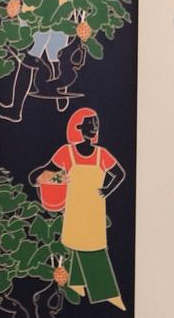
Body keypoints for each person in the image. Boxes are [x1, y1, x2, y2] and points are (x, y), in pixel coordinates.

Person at [28, 109, 127, 311]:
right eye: (90, 125)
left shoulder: (102, 154)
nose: (94, 128)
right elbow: (39, 175)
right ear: (79, 129)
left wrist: (107, 190)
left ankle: (78, 283)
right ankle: (107, 293)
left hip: (94, 209)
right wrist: (56, 178)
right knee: (88, 246)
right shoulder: (67, 152)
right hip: (75, 209)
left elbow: (119, 173)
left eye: (96, 125)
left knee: (93, 244)